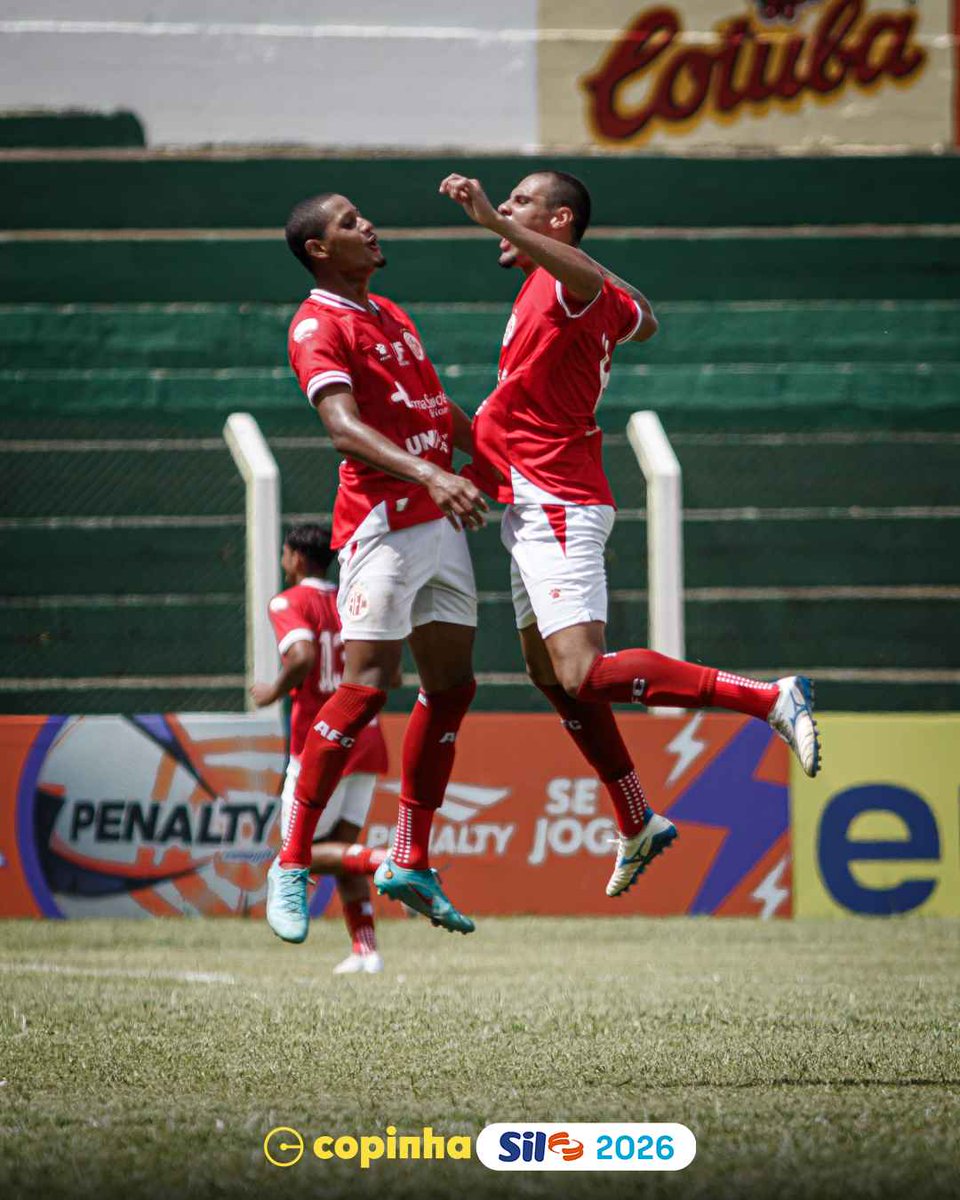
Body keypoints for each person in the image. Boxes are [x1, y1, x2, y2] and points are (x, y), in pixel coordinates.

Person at [438, 169, 821, 898]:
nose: (508, 209)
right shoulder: (579, 290)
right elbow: (646, 314)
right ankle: (638, 819)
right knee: (550, 675)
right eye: (507, 201)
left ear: (558, 223)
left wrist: (494, 219)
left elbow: (595, 283)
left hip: (557, 500)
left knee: (582, 671)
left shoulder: (566, 285)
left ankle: (770, 698)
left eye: (523, 201)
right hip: (532, 500)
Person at [266, 191, 488, 945]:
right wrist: (433, 476)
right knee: (365, 689)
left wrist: (496, 461)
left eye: (367, 213)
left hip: (440, 522)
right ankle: (291, 860)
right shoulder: (314, 324)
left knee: (453, 686)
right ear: (319, 250)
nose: (369, 225)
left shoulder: (389, 311)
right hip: (383, 527)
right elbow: (341, 428)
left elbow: (433, 407)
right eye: (351, 222)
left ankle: (411, 858)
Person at [251, 522, 389, 975]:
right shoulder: (352, 599)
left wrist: (272, 692)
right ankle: (365, 950)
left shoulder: (289, 601)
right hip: (366, 737)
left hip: (319, 741)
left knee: (296, 851)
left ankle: (385, 860)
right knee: (338, 850)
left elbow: (305, 656)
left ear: (294, 557)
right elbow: (393, 673)